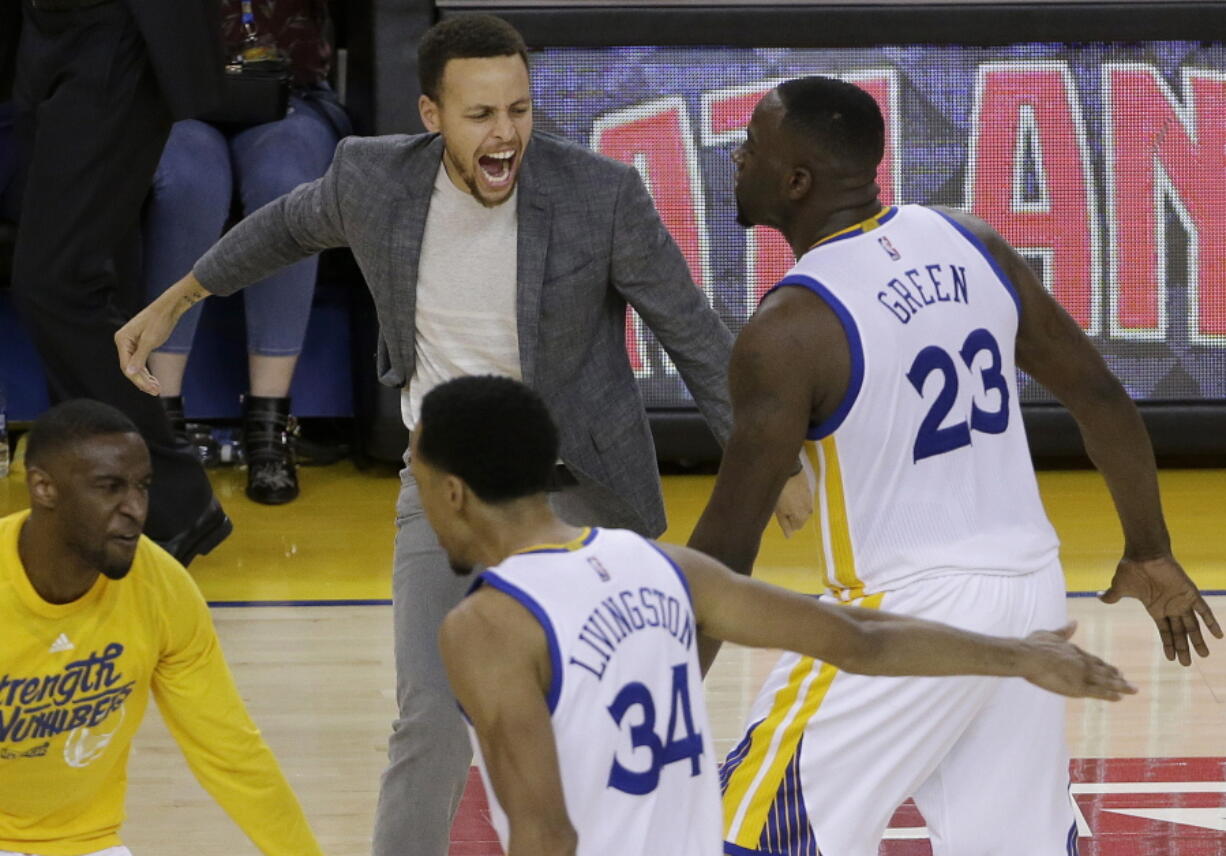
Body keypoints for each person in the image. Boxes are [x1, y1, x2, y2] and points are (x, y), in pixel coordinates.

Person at [113, 14, 811, 854]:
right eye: (481, 114)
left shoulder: (599, 194)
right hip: (447, 491)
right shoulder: (370, 179)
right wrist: (172, 302)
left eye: (518, 109)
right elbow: (283, 229)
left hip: (582, 485)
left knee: (598, 725)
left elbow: (692, 330)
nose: (506, 132)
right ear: (431, 115)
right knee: (431, 721)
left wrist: (775, 464)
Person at [687, 76, 1223, 855]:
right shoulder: (969, 240)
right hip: (1032, 596)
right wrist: (1149, 548)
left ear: (796, 182)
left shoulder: (789, 328)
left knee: (743, 832)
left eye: (752, 149)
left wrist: (665, 691)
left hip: (901, 616)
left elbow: (727, 550)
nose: (736, 161)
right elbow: (1101, 396)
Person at [411, 375, 1133, 856]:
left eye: (414, 472)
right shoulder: (664, 567)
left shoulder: (486, 628)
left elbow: (543, 832)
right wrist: (1021, 655)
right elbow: (858, 640)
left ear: (451, 492)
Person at [0, 399, 325, 856]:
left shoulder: (162, 587)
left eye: (142, 486)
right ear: (44, 488)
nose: (135, 508)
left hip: (86, 843)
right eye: (109, 487)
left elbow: (230, 752)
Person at [8, 0, 230, 565]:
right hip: (48, 28)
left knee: (57, 280)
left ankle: (177, 501)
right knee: (95, 272)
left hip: (123, 25)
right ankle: (103, 498)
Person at [142, 0, 351, 505]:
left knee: (287, 182)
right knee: (191, 181)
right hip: (170, 96)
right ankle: (161, 414)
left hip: (291, 93)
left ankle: (269, 418)